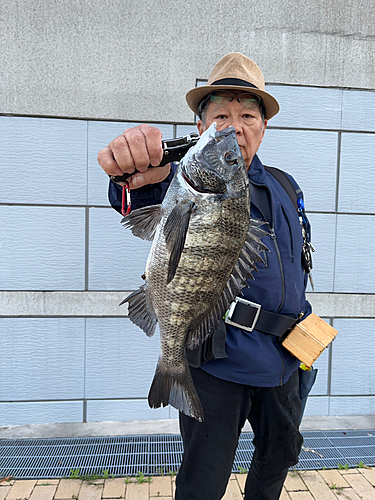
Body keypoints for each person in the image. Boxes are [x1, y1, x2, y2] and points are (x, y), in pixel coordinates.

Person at [98, 53, 312, 500]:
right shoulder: (184, 179)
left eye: (248, 115)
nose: (236, 126)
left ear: (264, 126)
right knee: (203, 480)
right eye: (221, 115)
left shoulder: (287, 186)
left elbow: (295, 263)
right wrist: (127, 171)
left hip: (287, 360)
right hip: (217, 361)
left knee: (280, 456)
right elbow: (137, 193)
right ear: (200, 128)